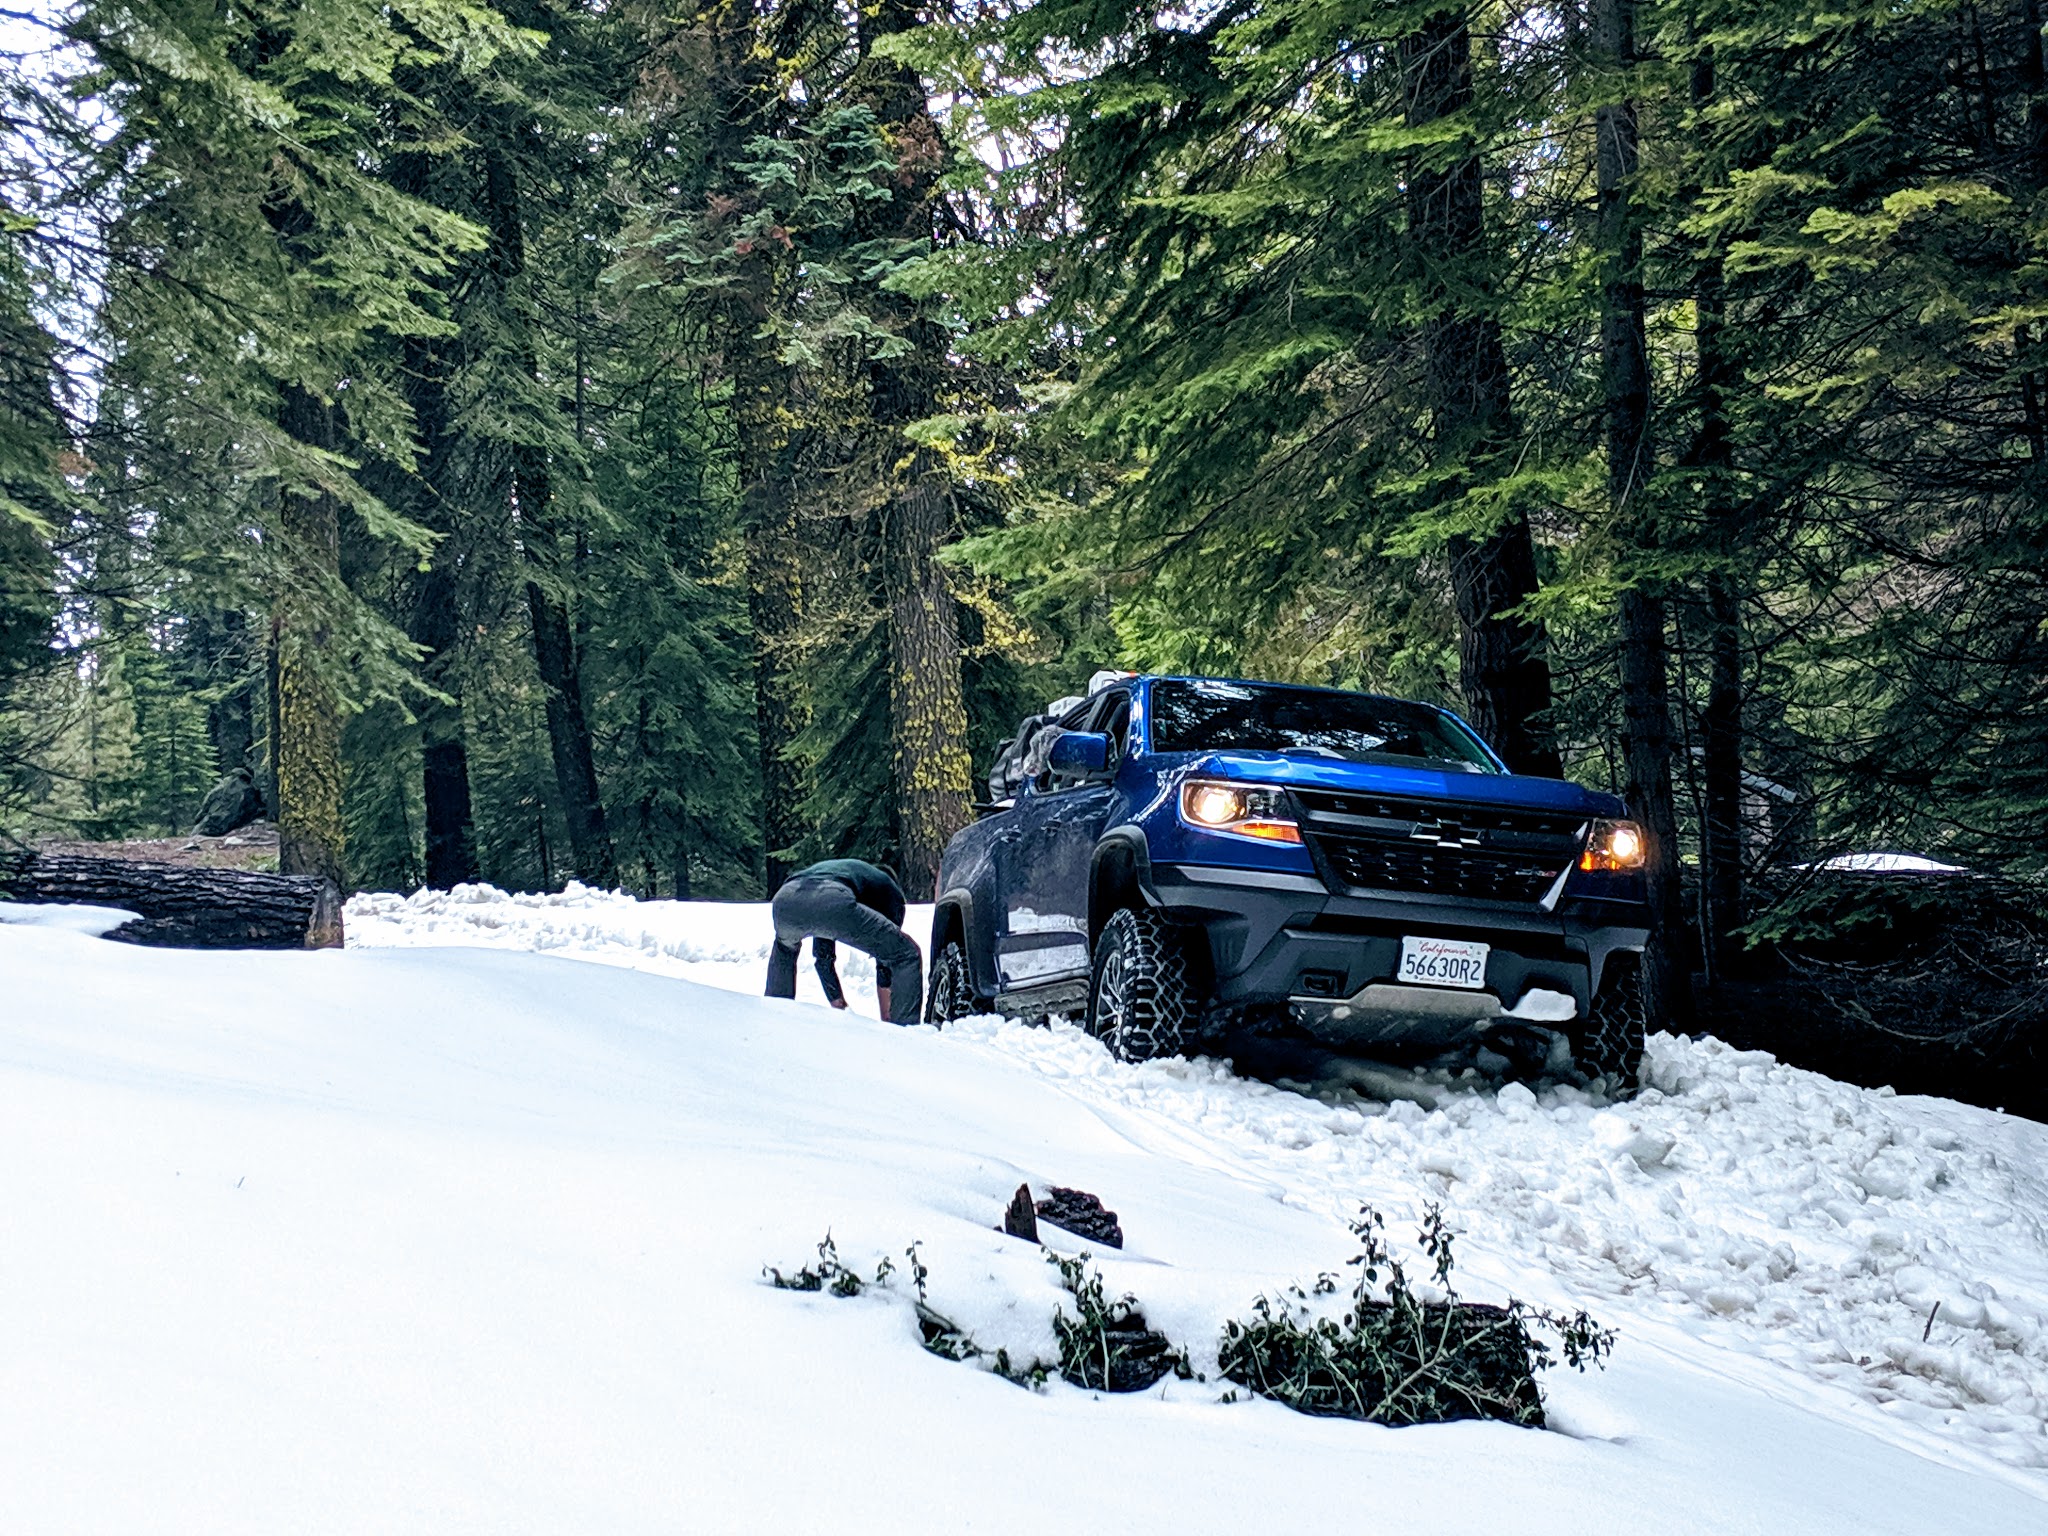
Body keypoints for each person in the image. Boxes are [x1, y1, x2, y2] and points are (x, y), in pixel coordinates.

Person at [764, 858, 923, 1025]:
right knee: (906, 954)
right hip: (831, 896)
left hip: (785, 898)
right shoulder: (889, 890)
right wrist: (887, 1019)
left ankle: (774, 1021)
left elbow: (823, 952)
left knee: (785, 950)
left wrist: (836, 999)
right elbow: (888, 959)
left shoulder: (847, 873)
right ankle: (904, 1032)